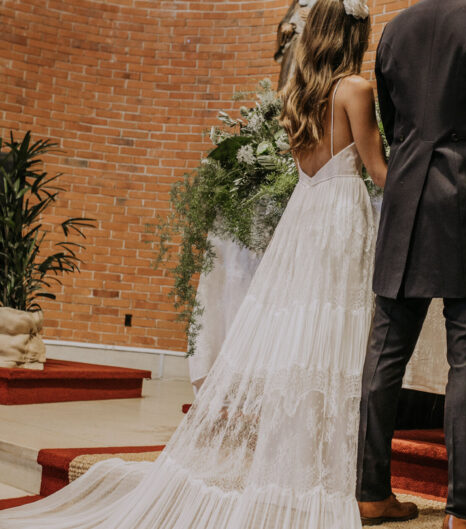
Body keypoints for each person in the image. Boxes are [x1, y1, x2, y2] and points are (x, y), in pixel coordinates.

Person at [0, 1, 387, 528]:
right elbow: (378, 171)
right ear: (353, 34)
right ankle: (328, 467)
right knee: (335, 332)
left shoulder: (299, 93)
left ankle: (298, 458)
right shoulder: (356, 89)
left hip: (306, 215)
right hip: (341, 216)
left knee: (304, 332)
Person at [356, 0, 466, 528]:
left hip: (405, 198)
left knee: (384, 355)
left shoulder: (396, 29)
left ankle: (370, 493)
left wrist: (415, 161)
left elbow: (393, 121)